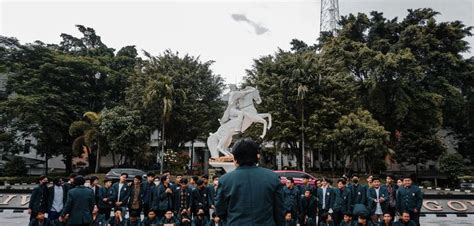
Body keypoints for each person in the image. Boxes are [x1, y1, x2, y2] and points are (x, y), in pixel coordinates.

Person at [215, 138, 285, 226]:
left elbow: (220, 211)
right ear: (257, 156)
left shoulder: (225, 180)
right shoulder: (273, 178)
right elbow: (279, 211)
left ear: (235, 158)